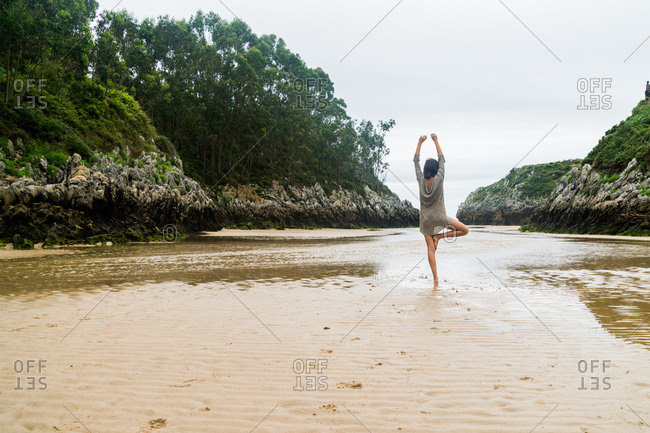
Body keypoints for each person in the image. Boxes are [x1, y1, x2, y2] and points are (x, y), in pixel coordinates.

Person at [414, 133, 469, 286]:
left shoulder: (420, 179)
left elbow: (415, 161)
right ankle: (440, 237)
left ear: (425, 169)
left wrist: (420, 142)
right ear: (436, 169)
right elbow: (442, 159)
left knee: (430, 249)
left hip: (425, 221)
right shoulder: (440, 178)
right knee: (465, 230)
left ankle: (436, 279)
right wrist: (436, 141)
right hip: (440, 217)